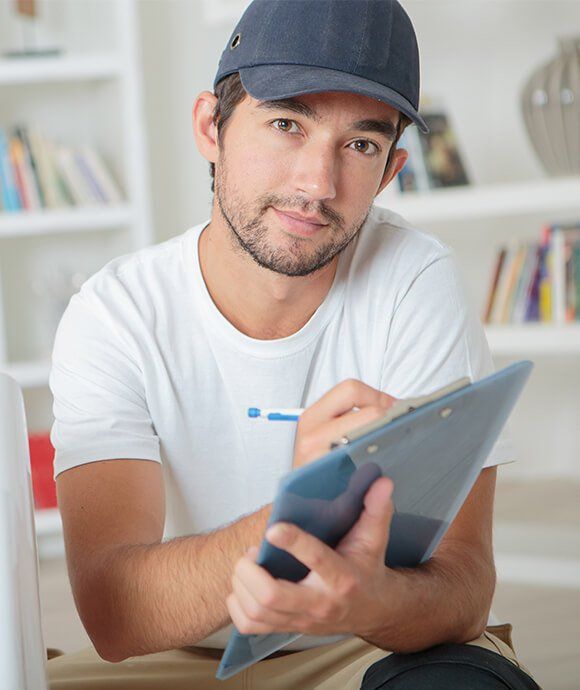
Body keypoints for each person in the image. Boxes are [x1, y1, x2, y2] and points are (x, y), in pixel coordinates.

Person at [47, 1, 540, 688]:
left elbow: (463, 586)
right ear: (209, 129)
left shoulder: (413, 281)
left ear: (392, 169)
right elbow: (115, 615)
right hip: (174, 661)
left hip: (358, 646)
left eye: (360, 145)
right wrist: (299, 516)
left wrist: (368, 596)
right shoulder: (115, 314)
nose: (318, 184)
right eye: (287, 124)